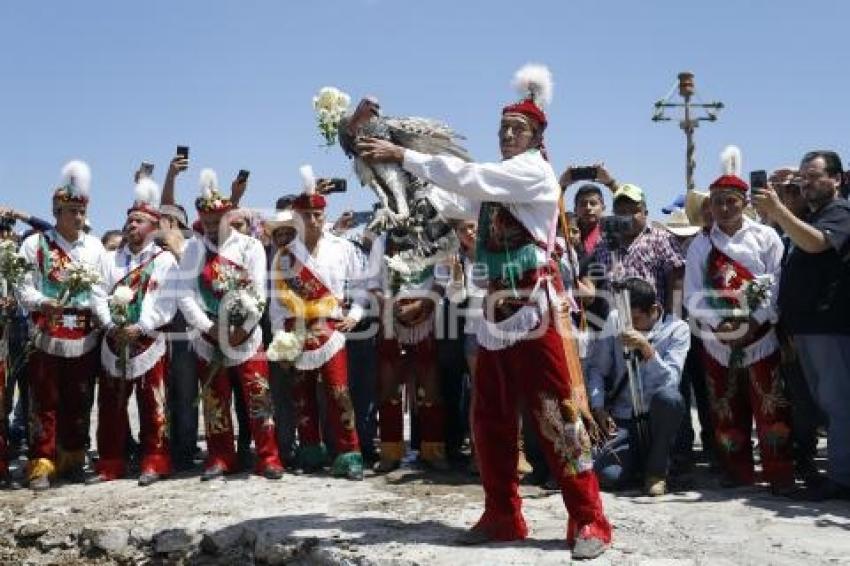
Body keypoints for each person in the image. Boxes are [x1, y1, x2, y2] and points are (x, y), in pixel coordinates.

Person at [357, 63, 611, 560]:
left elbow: (468, 176)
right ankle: (502, 513)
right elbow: (447, 196)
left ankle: (589, 520)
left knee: (559, 415)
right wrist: (376, 153)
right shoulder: (495, 187)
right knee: (489, 416)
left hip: (534, 307)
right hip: (494, 313)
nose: (507, 135)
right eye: (503, 129)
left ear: (538, 136)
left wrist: (404, 153)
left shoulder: (531, 173)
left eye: (518, 129)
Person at [684, 146, 794, 493]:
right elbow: (691, 293)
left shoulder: (767, 237)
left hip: (761, 338)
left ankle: (779, 474)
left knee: (772, 408)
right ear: (710, 205)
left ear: (744, 202)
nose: (724, 208)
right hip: (718, 342)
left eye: (731, 200)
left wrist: (751, 321)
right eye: (718, 201)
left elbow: (776, 284)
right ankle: (737, 472)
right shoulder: (700, 244)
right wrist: (720, 326)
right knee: (725, 410)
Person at [754, 150, 850, 500]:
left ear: (837, 179)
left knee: (838, 404)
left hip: (830, 327)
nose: (806, 184)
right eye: (802, 179)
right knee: (824, 404)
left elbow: (815, 242)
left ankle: (841, 479)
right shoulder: (814, 214)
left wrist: (778, 210)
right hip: (807, 329)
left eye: (814, 177)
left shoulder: (839, 213)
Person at [176, 168, 283, 481]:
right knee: (215, 400)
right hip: (208, 336)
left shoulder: (249, 247)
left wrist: (241, 329)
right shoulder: (194, 249)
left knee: (258, 395)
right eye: (206, 223)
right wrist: (207, 328)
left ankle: (268, 456)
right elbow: (185, 293)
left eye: (215, 223)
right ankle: (221, 456)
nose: (210, 228)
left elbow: (258, 291)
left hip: (245, 337)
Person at [268, 167, 366, 480]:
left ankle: (349, 453)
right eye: (306, 215)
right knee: (302, 394)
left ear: (325, 216)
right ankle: (311, 450)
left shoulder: (343, 247)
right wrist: (278, 338)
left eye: (317, 215)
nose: (312, 221)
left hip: (332, 329)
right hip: (296, 331)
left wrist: (356, 314)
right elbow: (276, 302)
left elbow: (364, 285)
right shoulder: (284, 257)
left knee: (339, 391)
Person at [15, 161, 106, 490]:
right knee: (44, 397)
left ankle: (73, 458)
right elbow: (23, 286)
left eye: (81, 212)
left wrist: (107, 321)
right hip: (46, 331)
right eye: (70, 212)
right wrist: (43, 302)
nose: (77, 218)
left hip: (83, 333)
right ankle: (42, 461)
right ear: (56, 212)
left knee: (79, 397)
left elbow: (99, 290)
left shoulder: (94, 247)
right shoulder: (34, 245)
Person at [88, 178, 177, 486]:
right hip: (114, 340)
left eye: (138, 221)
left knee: (153, 402)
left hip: (148, 341)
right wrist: (113, 326)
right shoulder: (109, 259)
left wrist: (140, 326)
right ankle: (111, 462)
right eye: (128, 221)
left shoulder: (164, 260)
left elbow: (166, 302)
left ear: (153, 227)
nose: (131, 226)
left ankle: (155, 460)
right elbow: (97, 294)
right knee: (111, 404)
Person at [587, 277, 689, 496]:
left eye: (636, 319)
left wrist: (647, 350)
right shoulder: (616, 319)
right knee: (608, 476)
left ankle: (656, 472)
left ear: (653, 309)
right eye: (627, 319)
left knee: (671, 400)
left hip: (657, 417)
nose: (629, 326)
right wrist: (598, 406)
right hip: (625, 415)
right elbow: (597, 369)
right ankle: (636, 463)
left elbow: (671, 381)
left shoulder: (677, 329)